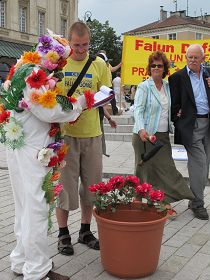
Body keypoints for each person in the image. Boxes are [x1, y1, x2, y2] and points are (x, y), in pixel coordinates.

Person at [1, 31, 90, 280]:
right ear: (50, 57)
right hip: (32, 150)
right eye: (59, 61)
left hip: (18, 144)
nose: (60, 67)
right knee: (37, 209)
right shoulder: (34, 75)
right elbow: (47, 110)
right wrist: (79, 104)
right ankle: (38, 270)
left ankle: (20, 261)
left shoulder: (20, 67)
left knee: (24, 207)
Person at [56, 21, 111, 256]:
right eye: (77, 45)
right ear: (69, 42)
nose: (81, 50)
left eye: (85, 45)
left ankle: (85, 230)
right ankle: (63, 234)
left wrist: (93, 101)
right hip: (66, 135)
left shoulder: (98, 64)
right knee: (65, 189)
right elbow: (49, 96)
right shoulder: (59, 64)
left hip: (92, 134)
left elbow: (107, 93)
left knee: (91, 187)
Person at [132, 51, 194, 205]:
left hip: (162, 136)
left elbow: (172, 107)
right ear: (149, 67)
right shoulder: (144, 86)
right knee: (143, 169)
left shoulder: (168, 86)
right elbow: (138, 110)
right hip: (144, 135)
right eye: (153, 65)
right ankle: (140, 199)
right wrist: (141, 130)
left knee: (166, 168)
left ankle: (166, 198)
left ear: (164, 68)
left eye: (159, 65)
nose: (156, 68)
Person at [169, 44, 210, 220]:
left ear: (203, 58)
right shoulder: (178, 77)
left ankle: (195, 199)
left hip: (208, 123)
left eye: (195, 57)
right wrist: (178, 118)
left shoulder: (208, 74)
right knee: (199, 165)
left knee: (205, 164)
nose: (192, 61)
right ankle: (197, 203)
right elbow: (174, 104)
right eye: (189, 57)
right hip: (191, 126)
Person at [97, 50, 121, 115]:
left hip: (108, 82)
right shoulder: (97, 63)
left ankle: (114, 111)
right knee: (102, 98)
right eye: (104, 54)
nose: (105, 56)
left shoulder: (107, 63)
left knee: (112, 98)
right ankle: (102, 112)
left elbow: (113, 69)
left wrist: (120, 64)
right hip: (102, 83)